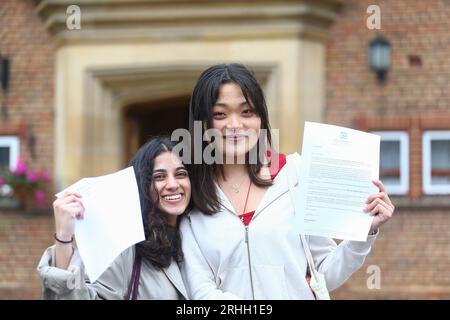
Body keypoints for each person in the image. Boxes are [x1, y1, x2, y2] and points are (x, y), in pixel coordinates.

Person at [179, 63, 395, 299]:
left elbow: (323, 273)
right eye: (219, 114)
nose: (235, 125)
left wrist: (365, 231)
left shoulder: (295, 175)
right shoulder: (191, 197)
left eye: (247, 111)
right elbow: (201, 291)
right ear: (203, 125)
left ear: (261, 118)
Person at [37, 136, 191, 299]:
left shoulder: (199, 236)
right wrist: (64, 237)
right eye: (159, 176)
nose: (173, 184)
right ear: (143, 184)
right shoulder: (127, 243)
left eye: (180, 174)